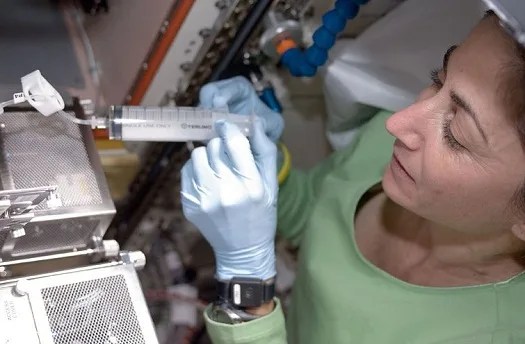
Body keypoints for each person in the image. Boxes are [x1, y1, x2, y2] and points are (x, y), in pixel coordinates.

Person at [181, 11, 525, 343]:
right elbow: (312, 217)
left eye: (456, 133)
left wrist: (247, 288)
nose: (397, 122)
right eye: (438, 80)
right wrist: (266, 165)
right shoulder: (385, 145)